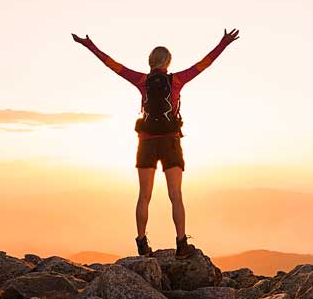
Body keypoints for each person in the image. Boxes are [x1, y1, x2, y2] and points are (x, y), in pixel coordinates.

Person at [72, 29, 239, 259]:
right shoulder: (177, 80)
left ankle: (142, 243)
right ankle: (181, 245)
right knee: (176, 195)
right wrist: (224, 43)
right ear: (168, 63)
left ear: (150, 62)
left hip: (146, 142)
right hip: (170, 141)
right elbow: (204, 64)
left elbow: (113, 65)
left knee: (144, 196)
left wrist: (89, 45)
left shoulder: (142, 81)